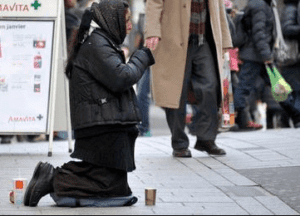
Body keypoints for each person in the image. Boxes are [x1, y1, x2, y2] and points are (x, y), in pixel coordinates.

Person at [24, 0, 155, 207]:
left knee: (114, 185)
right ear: (113, 21)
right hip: (102, 125)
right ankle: (52, 178)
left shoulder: (102, 42)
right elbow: (122, 77)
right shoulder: (98, 44)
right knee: (107, 183)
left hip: (106, 121)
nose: (129, 26)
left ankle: (50, 176)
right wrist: (142, 55)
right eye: (126, 20)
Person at [145, 0, 232, 157]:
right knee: (176, 92)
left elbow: (218, 7)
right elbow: (154, 2)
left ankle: (206, 139)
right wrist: (152, 31)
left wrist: (225, 40)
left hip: (203, 39)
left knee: (210, 85)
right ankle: (179, 143)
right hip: (174, 38)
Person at [233, 0, 277, 131]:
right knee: (244, 88)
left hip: (256, 53)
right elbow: (259, 33)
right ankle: (241, 120)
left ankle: (295, 113)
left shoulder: (261, 4)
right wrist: (266, 55)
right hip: (254, 54)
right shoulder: (259, 5)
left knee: (275, 84)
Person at [279, 0, 300, 128]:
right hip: (293, 58)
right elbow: (286, 28)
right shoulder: (291, 8)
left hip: (295, 59)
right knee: (296, 91)